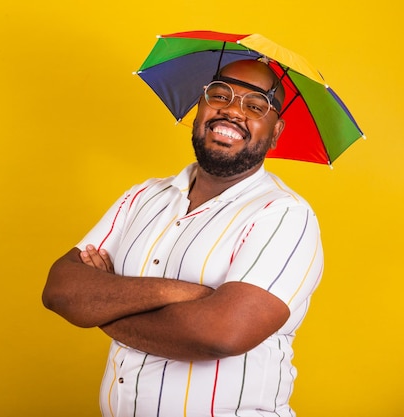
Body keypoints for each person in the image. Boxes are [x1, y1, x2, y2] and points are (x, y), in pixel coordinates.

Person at [42, 59, 323, 417]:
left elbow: (221, 335)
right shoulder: (142, 197)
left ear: (276, 131)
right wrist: (175, 292)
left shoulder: (285, 214)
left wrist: (99, 305)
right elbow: (61, 291)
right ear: (200, 107)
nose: (233, 110)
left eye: (256, 106)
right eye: (219, 95)